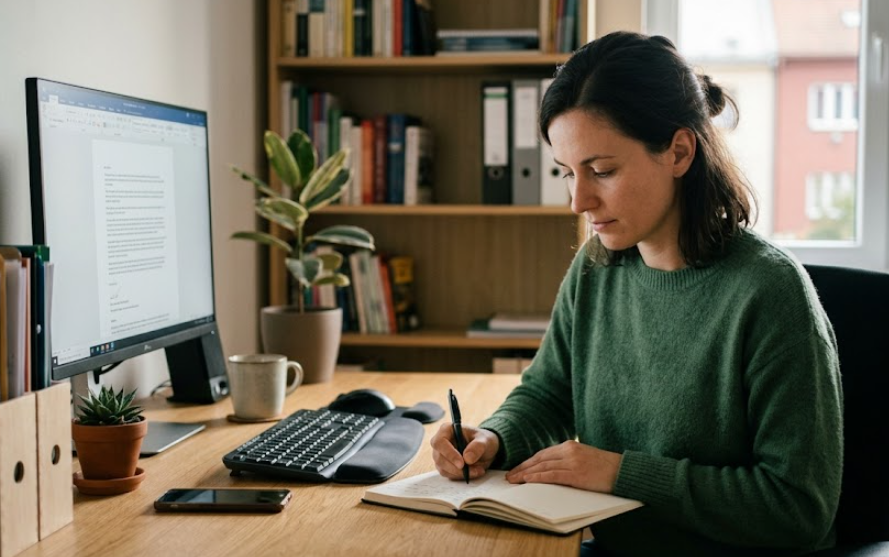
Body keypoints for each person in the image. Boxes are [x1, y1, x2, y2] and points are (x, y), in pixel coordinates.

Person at [431, 31, 843, 556]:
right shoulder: (596, 267)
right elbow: (548, 392)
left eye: (602, 171)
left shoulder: (769, 292)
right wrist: (494, 438)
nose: (579, 200)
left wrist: (622, 474)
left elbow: (798, 509)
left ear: (678, 151)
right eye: (567, 173)